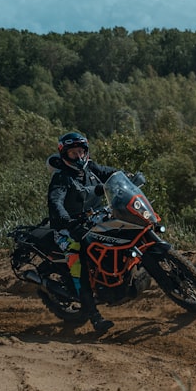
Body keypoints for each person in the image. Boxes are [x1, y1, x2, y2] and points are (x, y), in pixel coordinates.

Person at [47, 131, 118, 333]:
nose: (78, 156)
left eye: (80, 151)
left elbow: (111, 173)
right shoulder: (60, 177)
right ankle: (95, 317)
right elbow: (55, 202)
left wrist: (129, 178)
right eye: (72, 153)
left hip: (94, 219)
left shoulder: (91, 168)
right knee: (79, 262)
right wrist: (66, 220)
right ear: (64, 155)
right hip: (66, 229)